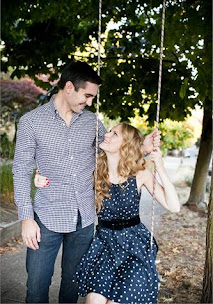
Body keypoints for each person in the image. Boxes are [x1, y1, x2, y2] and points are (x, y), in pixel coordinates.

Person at [13, 61, 161, 304]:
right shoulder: (31, 122)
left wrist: (142, 148)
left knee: (72, 289)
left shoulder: (92, 122)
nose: (90, 102)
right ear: (69, 87)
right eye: (87, 96)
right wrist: (27, 218)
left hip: (84, 220)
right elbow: (20, 170)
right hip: (46, 218)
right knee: (36, 288)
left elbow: (116, 150)